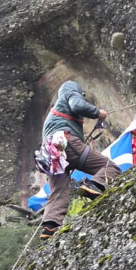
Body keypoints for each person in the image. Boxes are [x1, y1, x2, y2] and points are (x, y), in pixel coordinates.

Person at [39, 81, 121, 239]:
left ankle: (50, 226)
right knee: (110, 167)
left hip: (50, 154)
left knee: (59, 190)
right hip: (66, 142)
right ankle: (95, 185)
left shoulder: (52, 114)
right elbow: (77, 106)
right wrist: (98, 113)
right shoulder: (70, 94)